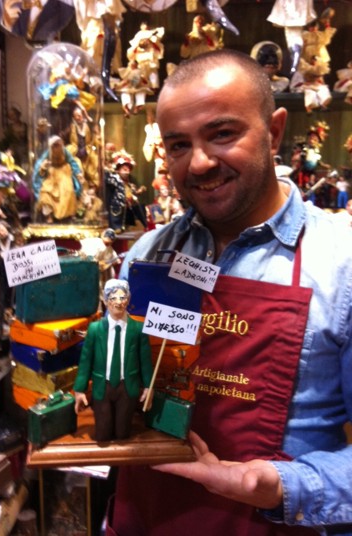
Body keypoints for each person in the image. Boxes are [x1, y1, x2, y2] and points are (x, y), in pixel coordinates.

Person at [113, 49, 352, 535]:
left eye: (222, 134)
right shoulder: (144, 255)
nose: (199, 163)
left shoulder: (340, 266)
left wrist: (281, 485)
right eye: (178, 145)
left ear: (274, 131)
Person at [73, 278, 153, 442]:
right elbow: (86, 361)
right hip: (102, 386)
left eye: (122, 297)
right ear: (105, 301)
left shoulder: (138, 329)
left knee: (123, 432)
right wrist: (79, 389)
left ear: (128, 300)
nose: (118, 302)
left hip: (127, 387)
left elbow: (145, 361)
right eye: (113, 298)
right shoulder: (95, 330)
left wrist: (148, 386)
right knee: (103, 433)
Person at [32, 135, 83, 223]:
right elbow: (40, 164)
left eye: (58, 145)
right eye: (54, 145)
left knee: (68, 190)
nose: (56, 148)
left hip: (63, 173)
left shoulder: (65, 152)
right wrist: (43, 167)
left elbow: (72, 162)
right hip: (51, 174)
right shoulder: (48, 153)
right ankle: (49, 216)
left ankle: (68, 215)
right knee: (45, 192)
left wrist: (78, 172)